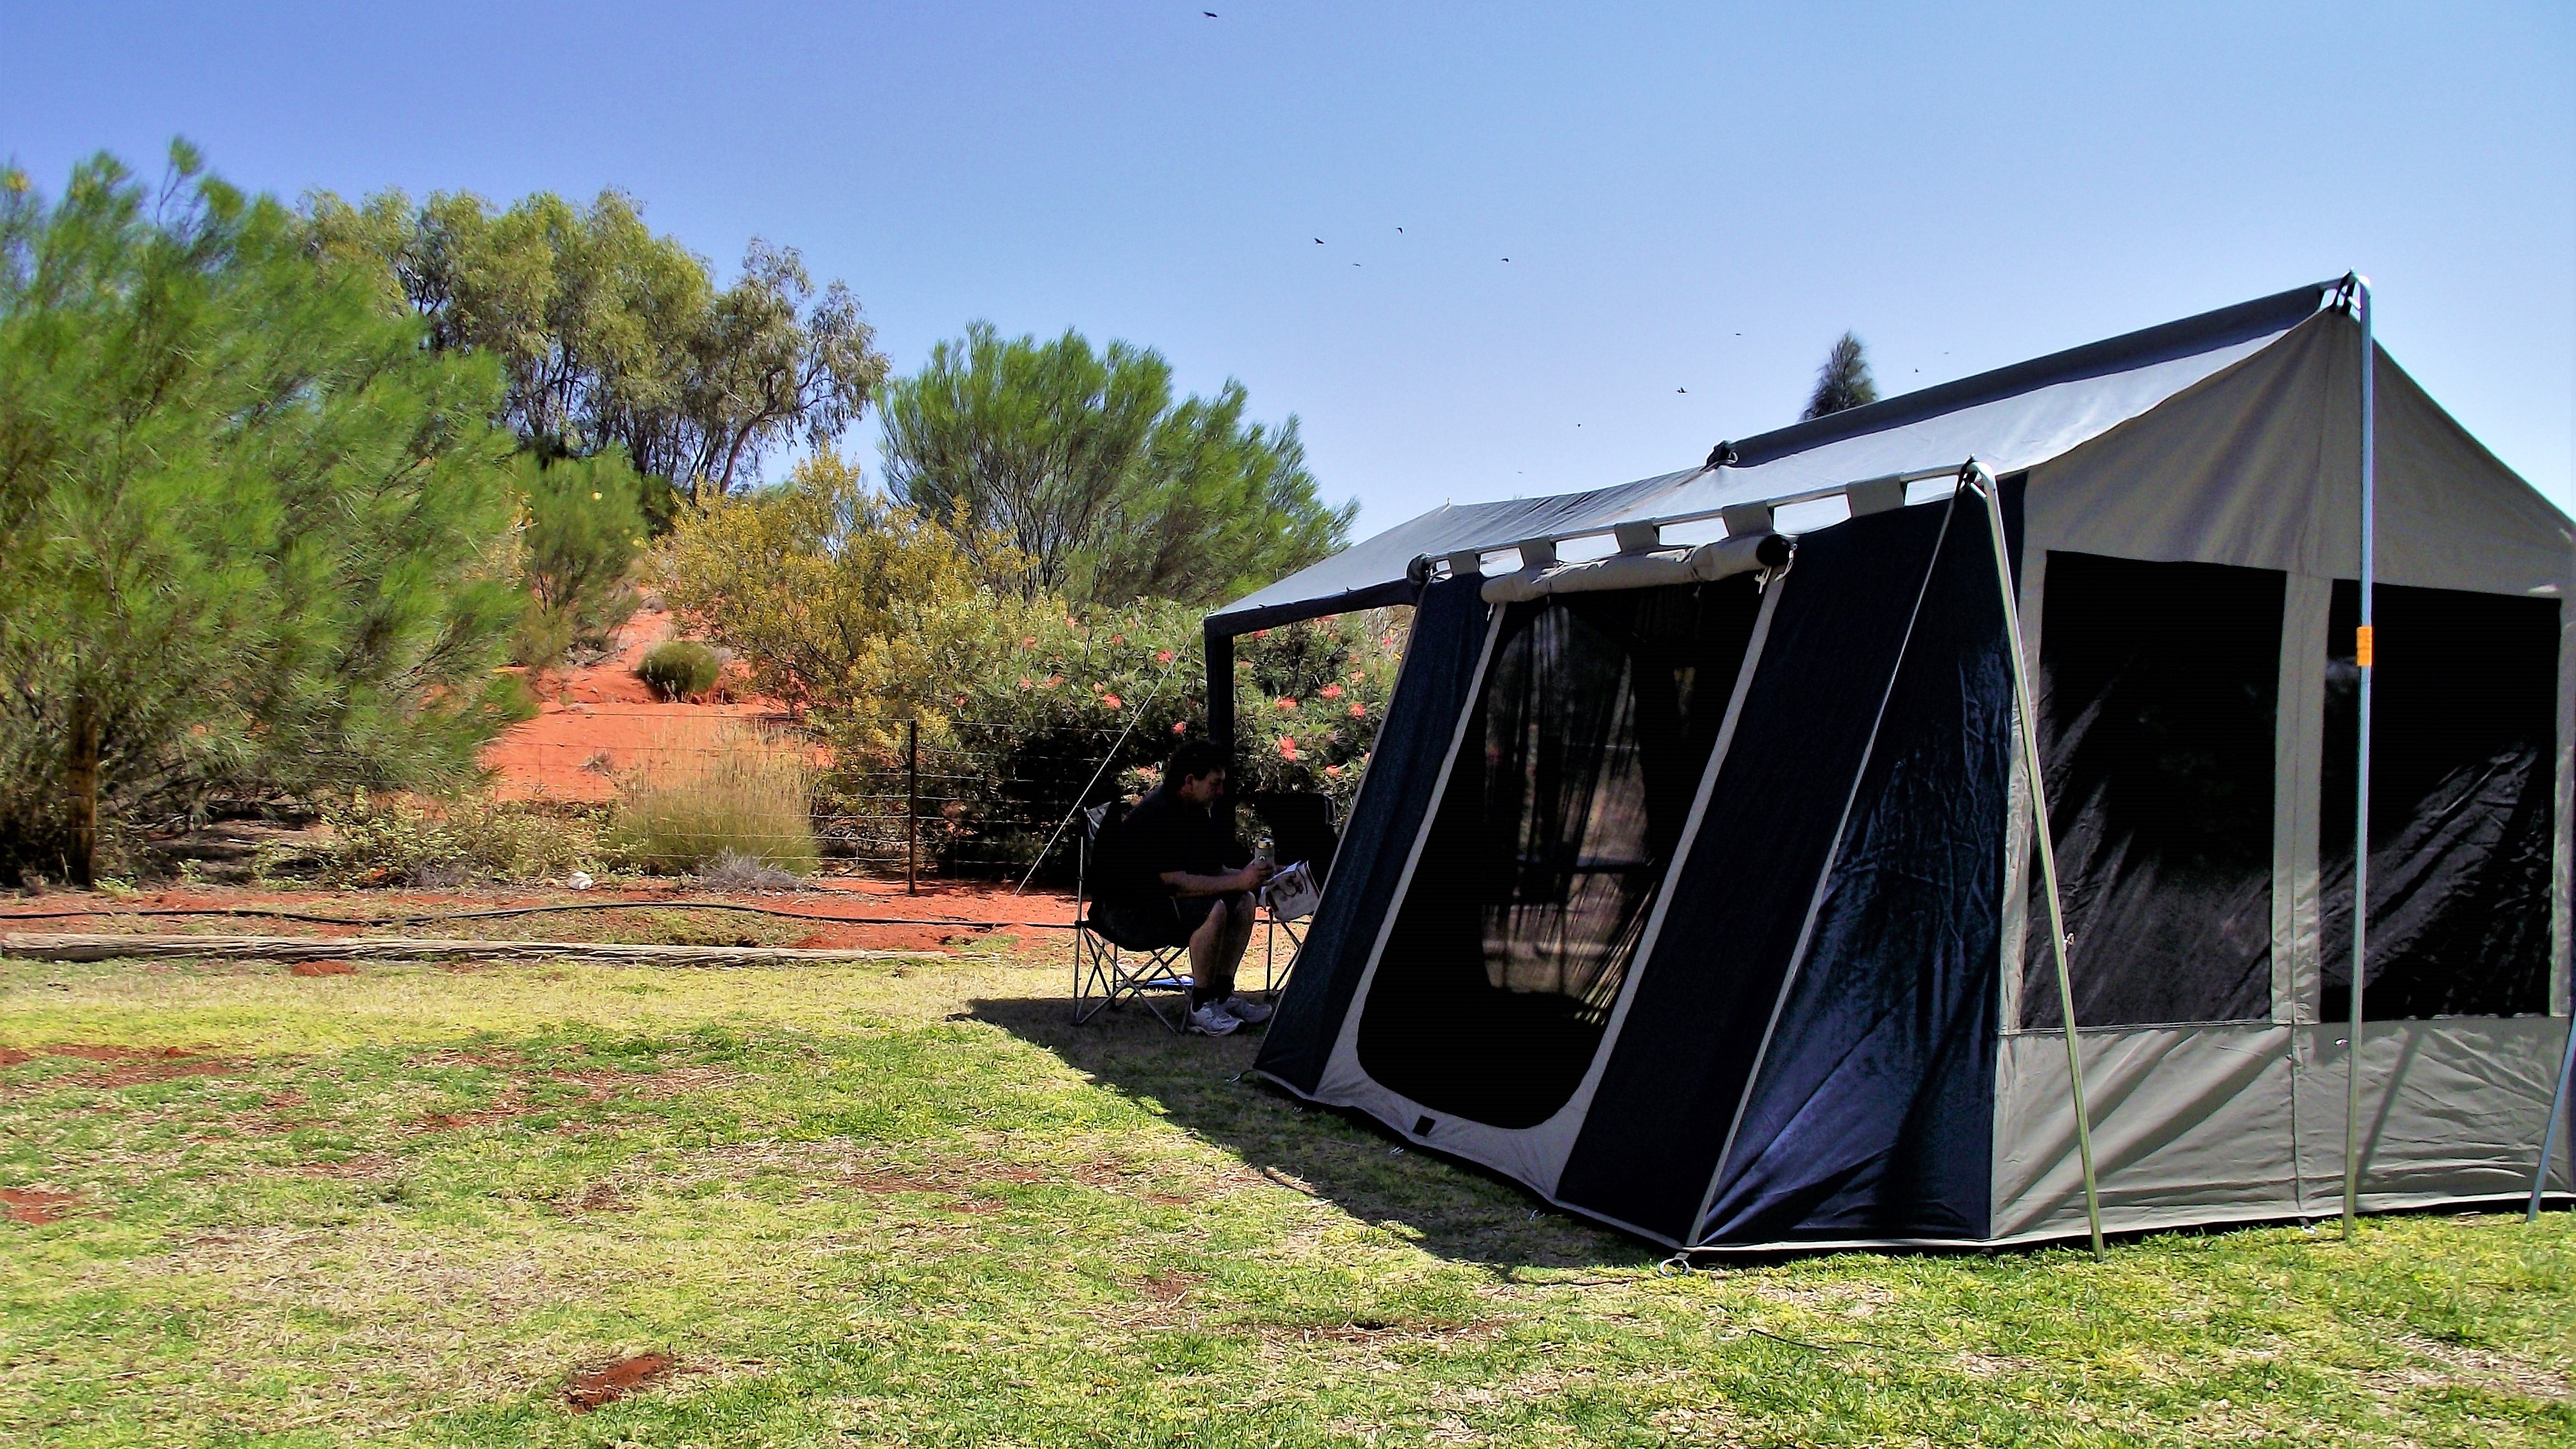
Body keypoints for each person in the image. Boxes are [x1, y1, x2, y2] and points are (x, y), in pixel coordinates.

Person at [1094, 738, 1277, 1036]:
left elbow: (1214, 871)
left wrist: (1258, 876)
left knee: (1243, 900)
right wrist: (1238, 881)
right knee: (1214, 908)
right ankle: (1201, 1006)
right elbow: (1174, 883)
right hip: (1126, 913)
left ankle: (1221, 994)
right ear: (1190, 781)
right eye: (1215, 784)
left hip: (1162, 904)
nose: (1220, 792)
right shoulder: (1159, 813)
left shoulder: (1196, 810)